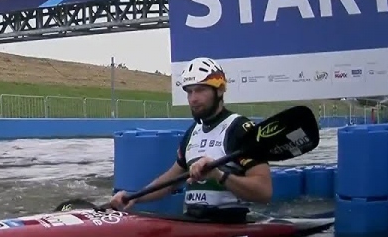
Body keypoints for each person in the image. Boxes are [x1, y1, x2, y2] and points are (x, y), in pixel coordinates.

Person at [109, 57, 273, 223]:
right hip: (193, 221)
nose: (193, 98)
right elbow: (169, 182)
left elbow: (264, 192)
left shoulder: (241, 129)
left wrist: (218, 175)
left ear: (220, 90)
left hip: (230, 224)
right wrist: (135, 198)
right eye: (189, 91)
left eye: (200, 90)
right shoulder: (192, 132)